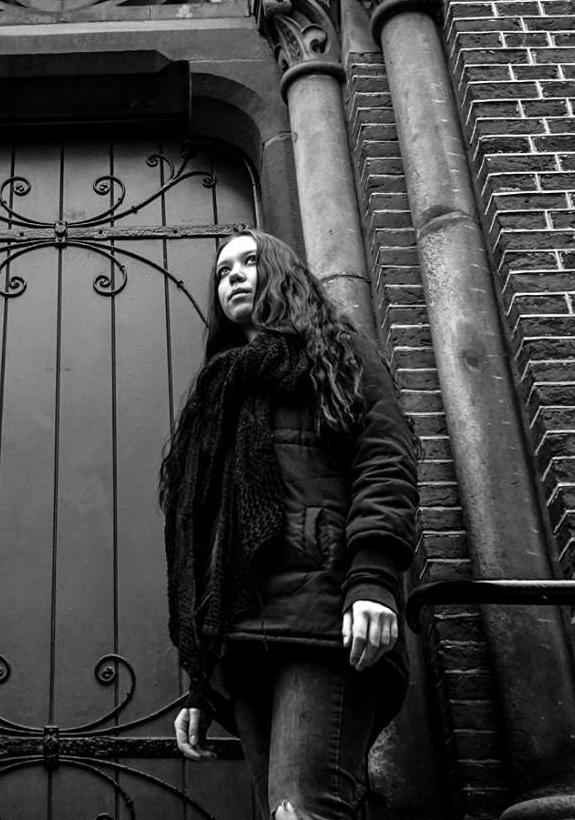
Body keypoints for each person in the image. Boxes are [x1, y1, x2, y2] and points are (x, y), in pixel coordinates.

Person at [160, 230, 420, 820]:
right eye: (223, 271)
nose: (233, 276)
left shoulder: (338, 355)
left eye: (250, 262)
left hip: (324, 619)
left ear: (283, 273)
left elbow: (386, 461)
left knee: (302, 809)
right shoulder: (218, 391)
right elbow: (204, 536)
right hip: (241, 637)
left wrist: (374, 578)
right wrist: (201, 681)